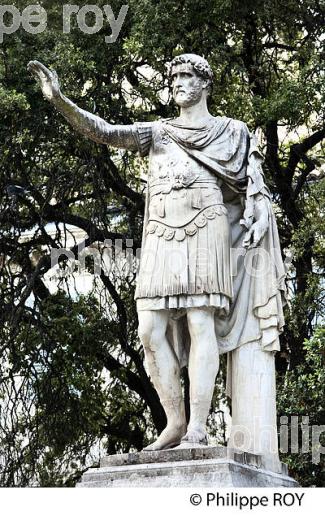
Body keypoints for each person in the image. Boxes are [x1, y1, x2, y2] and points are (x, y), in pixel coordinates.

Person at [28, 54, 286, 462]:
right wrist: (60, 100)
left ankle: (199, 426)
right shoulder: (159, 132)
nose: (177, 83)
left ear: (204, 83)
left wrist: (257, 211)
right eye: (173, 77)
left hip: (207, 228)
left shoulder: (231, 132)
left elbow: (254, 186)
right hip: (161, 234)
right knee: (150, 330)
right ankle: (175, 422)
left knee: (202, 322)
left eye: (186, 76)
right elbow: (108, 132)